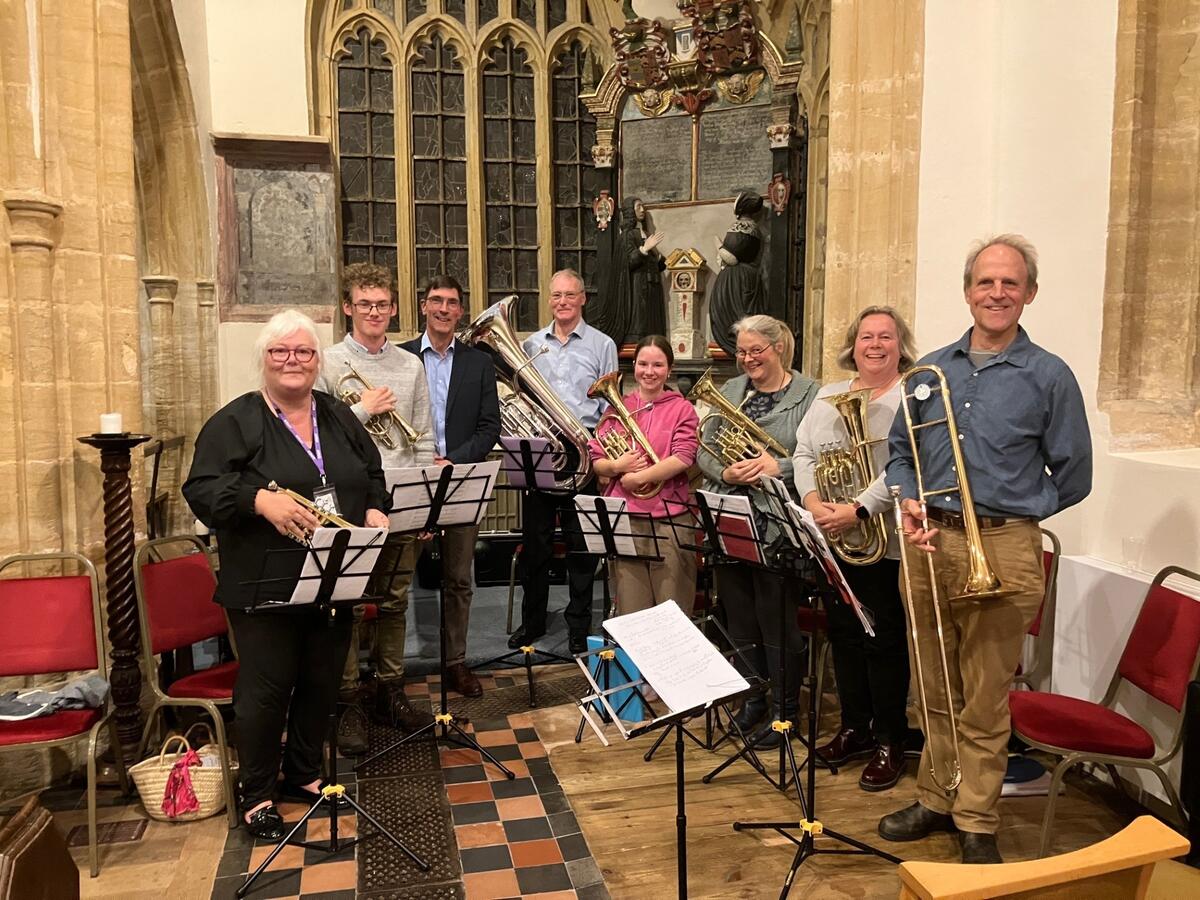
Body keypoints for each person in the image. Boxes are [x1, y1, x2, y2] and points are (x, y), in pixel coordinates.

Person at [878, 235, 1091, 864]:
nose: (996, 294)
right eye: (985, 282)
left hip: (1003, 547)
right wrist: (909, 497)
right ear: (968, 289)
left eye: (1010, 284)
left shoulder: (1049, 375)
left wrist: (1017, 513)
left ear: (1028, 293)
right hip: (927, 540)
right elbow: (899, 453)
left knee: (985, 694)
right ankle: (937, 797)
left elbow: (1073, 475)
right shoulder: (931, 371)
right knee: (933, 687)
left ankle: (977, 817)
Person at [182, 309, 391, 840]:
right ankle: (256, 795)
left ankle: (301, 773)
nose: (293, 361)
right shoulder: (236, 421)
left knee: (321, 684)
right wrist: (257, 500)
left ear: (318, 361)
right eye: (281, 352)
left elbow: (370, 470)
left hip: (331, 577)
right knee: (266, 692)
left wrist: (374, 507)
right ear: (265, 360)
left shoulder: (337, 414)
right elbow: (202, 488)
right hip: (265, 583)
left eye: (303, 352)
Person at [793, 306, 918, 792]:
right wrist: (813, 501)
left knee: (883, 642)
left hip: (882, 543)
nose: (875, 345)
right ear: (854, 344)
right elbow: (805, 453)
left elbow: (908, 462)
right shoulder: (829, 395)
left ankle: (890, 738)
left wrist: (860, 508)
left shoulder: (912, 395)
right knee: (843, 636)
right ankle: (855, 726)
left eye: (886, 337)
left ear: (899, 344)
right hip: (833, 538)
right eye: (867, 336)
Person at [321, 262, 435, 754]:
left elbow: (425, 434)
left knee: (394, 601)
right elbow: (318, 438)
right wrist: (362, 410)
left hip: (402, 496)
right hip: (350, 504)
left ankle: (390, 690)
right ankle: (347, 701)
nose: (374, 312)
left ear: (393, 308)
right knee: (345, 604)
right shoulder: (326, 362)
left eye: (383, 304)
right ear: (348, 307)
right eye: (365, 304)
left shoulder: (410, 365)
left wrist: (427, 499)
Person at [696, 315, 819, 748]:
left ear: (780, 347)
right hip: (730, 516)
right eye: (742, 352)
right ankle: (754, 699)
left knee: (777, 623)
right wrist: (726, 469)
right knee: (741, 620)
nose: (747, 359)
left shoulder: (810, 395)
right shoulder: (731, 391)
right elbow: (702, 446)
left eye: (756, 351)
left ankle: (787, 714)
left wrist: (778, 467)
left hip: (778, 526)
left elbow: (818, 456)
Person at [400, 274, 501, 699]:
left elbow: (489, 427)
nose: (443, 309)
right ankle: (389, 672)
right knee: (397, 579)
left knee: (459, 578)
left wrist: (452, 460)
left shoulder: (479, 362)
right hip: (410, 480)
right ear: (423, 306)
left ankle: (455, 662)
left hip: (459, 479)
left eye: (452, 303)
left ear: (460, 312)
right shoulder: (401, 358)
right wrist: (425, 464)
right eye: (436, 300)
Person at [509, 269, 619, 655]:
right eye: (556, 295)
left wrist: (600, 452)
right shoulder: (529, 344)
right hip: (541, 453)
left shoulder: (602, 344)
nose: (562, 302)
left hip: (584, 456)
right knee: (534, 546)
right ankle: (533, 621)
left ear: (582, 298)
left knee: (581, 548)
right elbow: (520, 396)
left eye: (569, 295)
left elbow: (610, 406)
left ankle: (578, 625)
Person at [588, 335, 699, 615]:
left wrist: (639, 477)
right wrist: (616, 467)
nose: (649, 372)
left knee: (671, 610)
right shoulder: (617, 408)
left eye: (658, 365)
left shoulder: (682, 409)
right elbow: (596, 459)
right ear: (634, 366)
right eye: (643, 364)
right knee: (631, 610)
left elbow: (684, 456)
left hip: (670, 520)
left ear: (669, 370)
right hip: (625, 518)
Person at [708, 191, 766, 358]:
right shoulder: (752, 227)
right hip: (745, 279)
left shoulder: (743, 227)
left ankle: (739, 347)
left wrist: (718, 245)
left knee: (734, 320)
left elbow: (731, 257)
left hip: (737, 282)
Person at [615, 197, 668, 343]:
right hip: (637, 286)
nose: (642, 210)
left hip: (652, 286)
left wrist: (660, 259)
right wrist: (644, 249)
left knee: (653, 319)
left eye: (642, 207)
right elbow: (628, 262)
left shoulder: (644, 233)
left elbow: (654, 265)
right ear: (630, 210)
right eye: (638, 207)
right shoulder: (628, 235)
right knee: (640, 319)